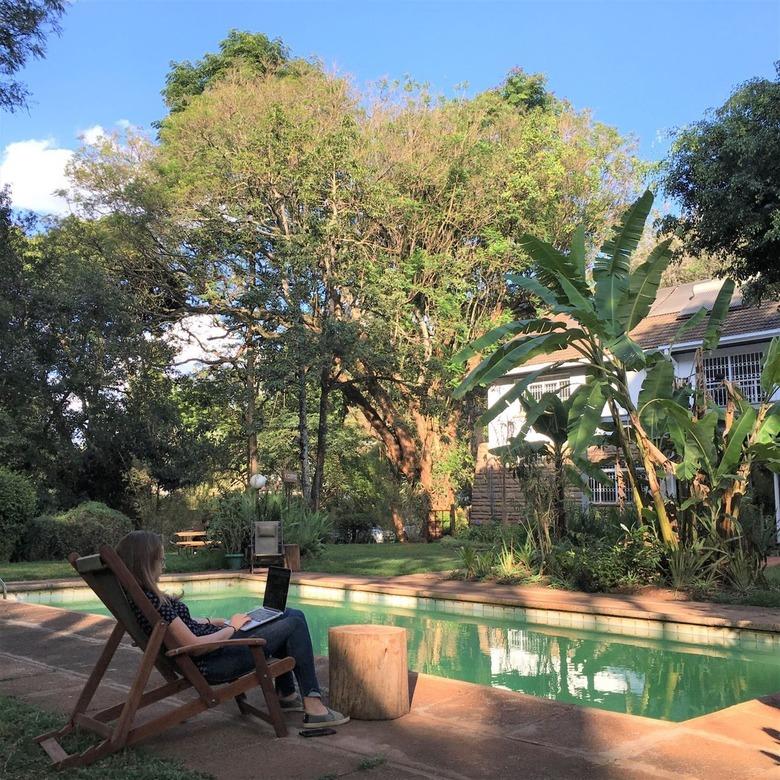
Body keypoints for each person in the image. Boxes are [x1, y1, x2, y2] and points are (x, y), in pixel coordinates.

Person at [115, 530, 348, 729]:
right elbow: (194, 647)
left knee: (285, 613)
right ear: (145, 564)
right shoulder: (153, 602)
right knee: (295, 621)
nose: (163, 566)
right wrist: (232, 627)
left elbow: (177, 627)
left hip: (214, 650)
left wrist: (210, 621)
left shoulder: (141, 600)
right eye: (161, 561)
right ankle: (314, 707)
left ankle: (287, 695)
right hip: (214, 661)